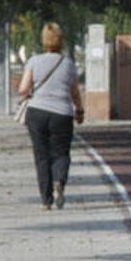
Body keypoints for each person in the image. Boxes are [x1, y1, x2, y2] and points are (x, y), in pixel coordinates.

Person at [18, 22, 84, 210]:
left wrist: (28, 92)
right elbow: (75, 92)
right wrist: (79, 110)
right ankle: (60, 181)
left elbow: (23, 89)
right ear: (61, 41)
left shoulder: (33, 61)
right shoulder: (68, 64)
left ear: (43, 40)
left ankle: (46, 201)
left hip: (37, 112)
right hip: (62, 114)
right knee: (61, 152)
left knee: (41, 156)